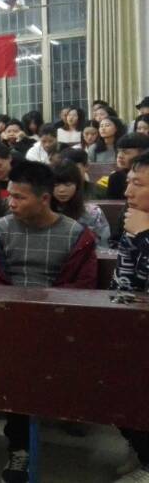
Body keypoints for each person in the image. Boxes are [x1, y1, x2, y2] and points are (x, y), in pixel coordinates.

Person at [0, 161, 97, 483]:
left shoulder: (77, 235)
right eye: (10, 196)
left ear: (45, 199)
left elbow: (82, 288)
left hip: (58, 323)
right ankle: (19, 447)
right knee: (16, 363)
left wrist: (43, 313)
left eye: (20, 197)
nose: (11, 203)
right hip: (9, 322)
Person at [112, 151, 149, 481]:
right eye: (128, 183)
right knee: (111, 390)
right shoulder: (134, 222)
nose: (127, 192)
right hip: (130, 327)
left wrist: (145, 237)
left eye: (138, 184)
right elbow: (124, 282)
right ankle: (143, 451)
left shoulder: (139, 227)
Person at [51, 161, 110, 250]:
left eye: (68, 184)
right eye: (56, 185)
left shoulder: (93, 213)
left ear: (77, 185)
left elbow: (102, 246)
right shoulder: (43, 212)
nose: (61, 190)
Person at [105, 133, 149, 199]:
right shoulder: (115, 177)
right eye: (118, 152)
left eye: (126, 152)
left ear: (143, 153)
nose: (119, 156)